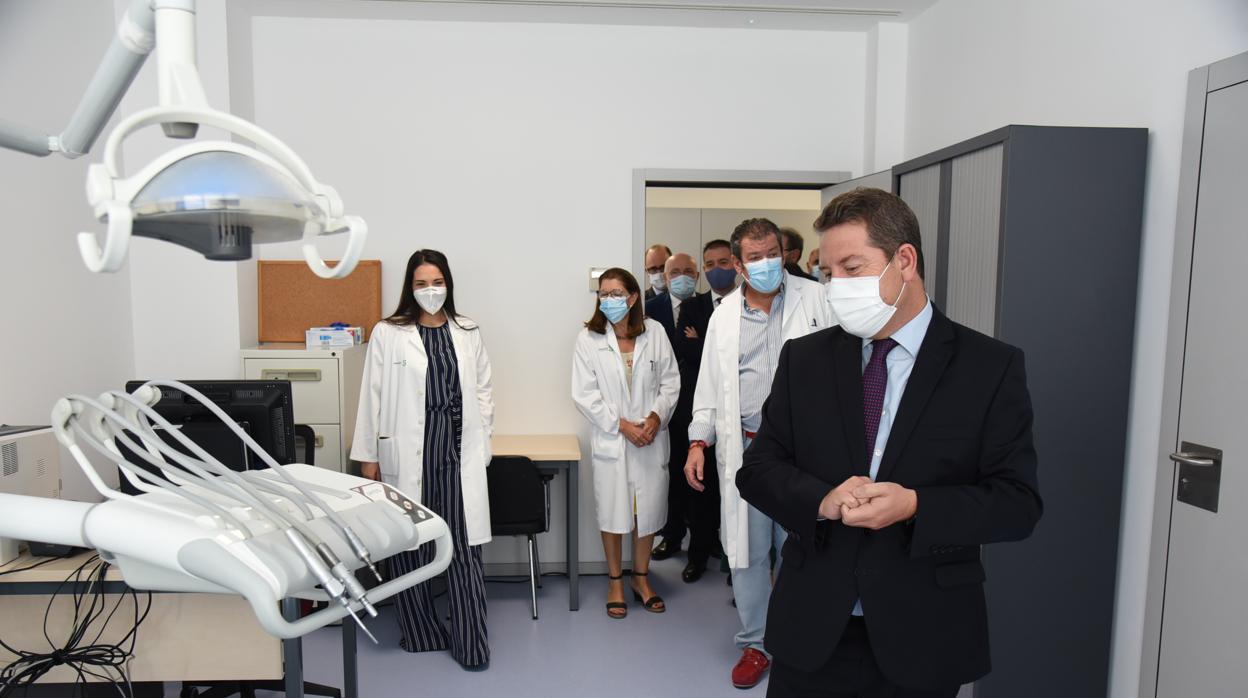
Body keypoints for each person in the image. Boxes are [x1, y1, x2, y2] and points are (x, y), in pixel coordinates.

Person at [736, 188, 1043, 698]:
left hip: (924, 629)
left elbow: (1017, 504)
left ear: (904, 260)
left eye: (852, 268)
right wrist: (822, 500)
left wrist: (917, 505)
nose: (836, 288)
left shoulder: (988, 367)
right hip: (814, 628)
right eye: (829, 272)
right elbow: (759, 467)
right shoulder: (806, 360)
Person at [685, 219, 833, 689]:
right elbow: (709, 385)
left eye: (773, 252)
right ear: (739, 263)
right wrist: (697, 441)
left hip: (804, 455)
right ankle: (755, 643)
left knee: (801, 549)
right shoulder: (724, 315)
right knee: (746, 554)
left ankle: (799, 639)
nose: (767, 262)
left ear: (783, 253)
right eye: (755, 256)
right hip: (747, 451)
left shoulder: (818, 300)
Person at [352, 249, 495, 669]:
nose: (430, 290)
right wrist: (367, 455)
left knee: (464, 546)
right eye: (420, 283)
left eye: (436, 282)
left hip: (456, 446)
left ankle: (472, 645)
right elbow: (371, 394)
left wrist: (482, 431)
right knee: (409, 543)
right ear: (409, 288)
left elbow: (484, 388)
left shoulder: (468, 330)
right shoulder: (388, 332)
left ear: (447, 283)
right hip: (408, 448)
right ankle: (421, 634)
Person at [572, 267, 680, 619]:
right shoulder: (588, 338)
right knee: (614, 511)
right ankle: (616, 580)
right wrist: (622, 426)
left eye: (616, 293)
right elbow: (584, 395)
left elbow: (670, 383)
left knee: (645, 513)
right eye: (603, 294)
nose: (609, 300)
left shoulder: (656, 333)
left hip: (650, 438)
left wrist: (653, 419)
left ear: (633, 297)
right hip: (612, 440)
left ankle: (641, 578)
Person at [646, 253, 699, 566]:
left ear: (697, 275)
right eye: (674, 272)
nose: (682, 277)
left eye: (688, 272)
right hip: (662, 406)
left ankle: (704, 541)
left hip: (698, 403)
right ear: (665, 278)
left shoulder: (707, 308)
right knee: (672, 474)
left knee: (701, 477)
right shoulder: (650, 310)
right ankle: (672, 534)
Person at [702, 238, 739, 305]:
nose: (716, 269)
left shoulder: (752, 303)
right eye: (710, 264)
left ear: (737, 266)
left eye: (723, 262)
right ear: (704, 269)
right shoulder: (690, 306)